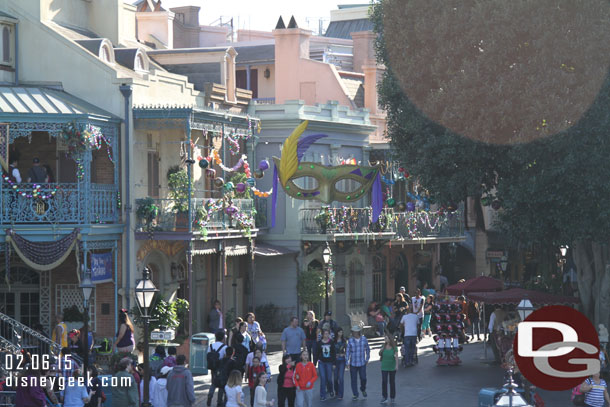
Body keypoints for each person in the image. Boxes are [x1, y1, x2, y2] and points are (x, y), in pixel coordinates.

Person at [346, 325, 370, 401]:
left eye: (355, 331)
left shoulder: (364, 339)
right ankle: (355, 394)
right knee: (353, 379)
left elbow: (368, 349)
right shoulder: (350, 340)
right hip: (353, 363)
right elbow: (347, 352)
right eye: (353, 331)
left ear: (358, 332)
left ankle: (363, 389)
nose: (354, 333)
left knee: (363, 378)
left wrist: (367, 359)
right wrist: (347, 362)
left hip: (362, 362)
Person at [208, 330, 228, 407]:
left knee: (213, 382)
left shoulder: (211, 346)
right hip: (221, 367)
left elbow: (208, 355)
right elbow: (225, 357)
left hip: (213, 367)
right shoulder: (224, 347)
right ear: (223, 338)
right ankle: (219, 401)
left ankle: (210, 395)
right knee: (221, 384)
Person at [315, 329, 336, 401]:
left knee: (329, 378)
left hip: (329, 362)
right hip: (322, 362)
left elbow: (334, 353)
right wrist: (315, 362)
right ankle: (322, 395)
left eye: (327, 334)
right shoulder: (319, 343)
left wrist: (334, 363)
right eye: (325, 334)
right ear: (323, 335)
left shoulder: (331, 342)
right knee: (323, 378)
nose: (326, 335)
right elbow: (316, 353)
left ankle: (331, 390)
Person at [379, 333, 399, 404]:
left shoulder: (394, 347)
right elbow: (380, 354)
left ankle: (392, 397)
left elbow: (396, 357)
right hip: (384, 366)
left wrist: (396, 365)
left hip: (392, 367)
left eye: (386, 338)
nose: (385, 339)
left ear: (390, 339)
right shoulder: (383, 346)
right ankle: (384, 397)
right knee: (384, 381)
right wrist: (381, 350)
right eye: (385, 338)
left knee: (392, 382)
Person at [333, 328, 347, 401]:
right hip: (335, 361)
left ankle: (341, 394)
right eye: (339, 332)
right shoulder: (333, 341)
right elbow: (331, 351)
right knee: (335, 378)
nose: (340, 333)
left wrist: (343, 354)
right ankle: (336, 391)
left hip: (342, 361)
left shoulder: (344, 341)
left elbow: (347, 351)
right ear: (337, 333)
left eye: (341, 332)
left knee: (341, 378)